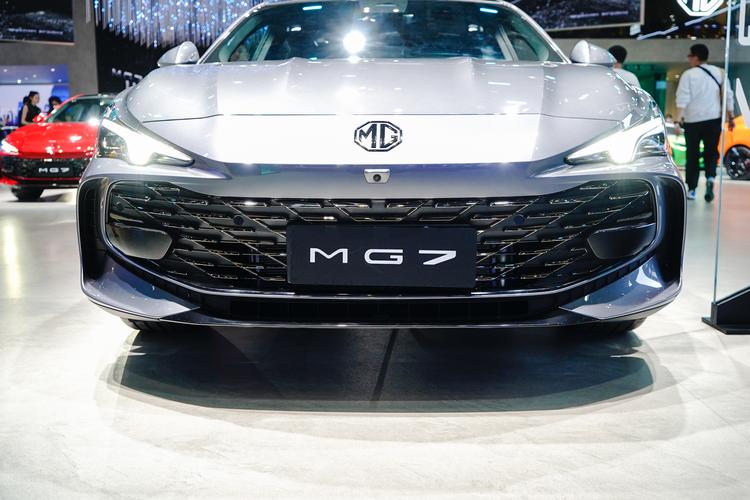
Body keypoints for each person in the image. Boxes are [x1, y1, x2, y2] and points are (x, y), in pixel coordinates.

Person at [674, 44, 735, 202]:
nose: (688, 59)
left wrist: (677, 121)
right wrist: (731, 116)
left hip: (693, 121)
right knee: (711, 151)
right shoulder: (720, 72)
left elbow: (682, 99)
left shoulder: (688, 74)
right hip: (714, 119)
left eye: (689, 56)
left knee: (692, 154)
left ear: (695, 57)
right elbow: (728, 96)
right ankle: (710, 178)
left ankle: (692, 189)